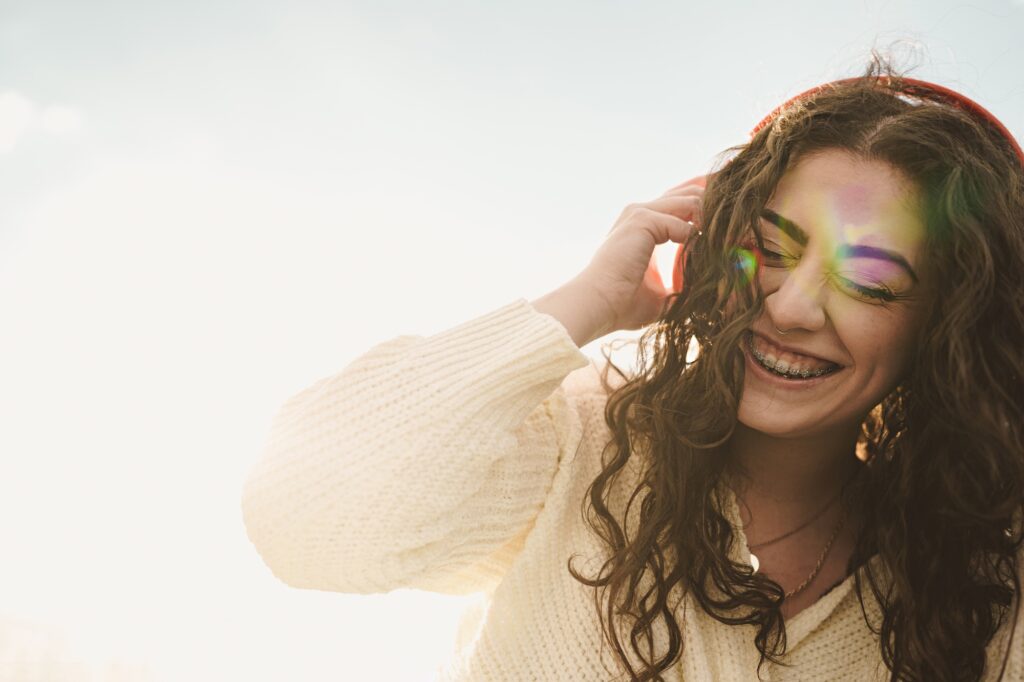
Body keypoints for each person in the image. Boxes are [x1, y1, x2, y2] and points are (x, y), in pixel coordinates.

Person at [240, 57, 1024, 681]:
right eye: (772, 249)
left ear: (947, 330)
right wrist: (585, 303)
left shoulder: (983, 582)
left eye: (871, 282)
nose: (792, 307)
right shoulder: (576, 448)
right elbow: (301, 518)